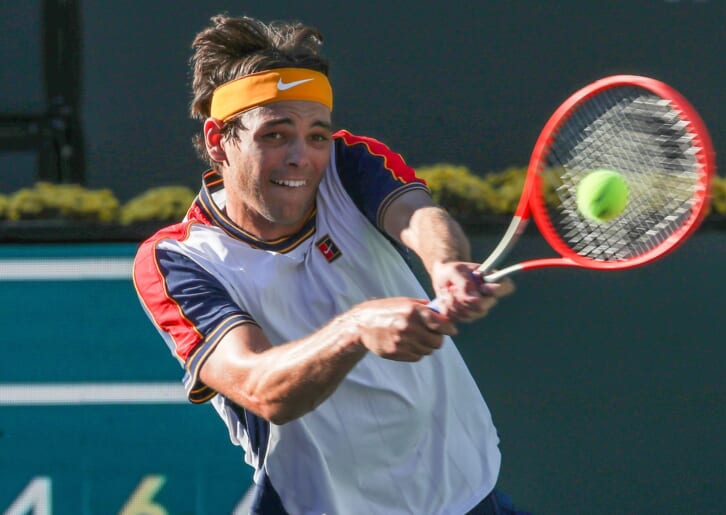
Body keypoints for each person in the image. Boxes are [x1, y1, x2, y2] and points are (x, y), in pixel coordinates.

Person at [133, 14, 525, 515]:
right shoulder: (177, 261)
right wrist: (358, 328)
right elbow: (260, 388)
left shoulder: (349, 165)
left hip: (468, 498)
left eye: (316, 135)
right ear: (218, 141)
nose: (303, 156)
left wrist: (445, 266)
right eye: (275, 135)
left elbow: (420, 217)